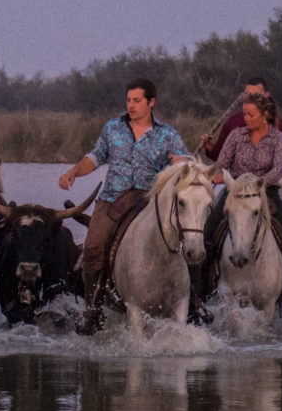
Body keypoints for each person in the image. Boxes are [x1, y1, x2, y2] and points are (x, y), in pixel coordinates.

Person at [58, 78, 189, 335]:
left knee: (189, 242)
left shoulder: (167, 134)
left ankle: (191, 302)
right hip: (113, 199)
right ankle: (93, 311)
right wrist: (75, 171)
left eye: (137, 100)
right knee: (93, 249)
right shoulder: (112, 128)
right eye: (129, 100)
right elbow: (95, 157)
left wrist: (180, 162)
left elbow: (183, 159)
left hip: (150, 200)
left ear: (151, 102)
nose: (131, 105)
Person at [205, 94, 282, 315]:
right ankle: (203, 287)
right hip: (236, 190)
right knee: (209, 226)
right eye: (244, 114)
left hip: (266, 189)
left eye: (250, 114)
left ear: (265, 115)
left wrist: (257, 183)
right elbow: (221, 164)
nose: (246, 118)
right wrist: (219, 176)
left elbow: (279, 169)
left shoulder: (280, 138)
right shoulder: (235, 135)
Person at [201, 77, 282, 172]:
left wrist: (262, 178)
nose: (251, 98)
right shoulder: (232, 122)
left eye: (256, 95)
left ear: (266, 95)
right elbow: (222, 159)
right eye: (248, 95)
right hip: (236, 183)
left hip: (268, 184)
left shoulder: (281, 126)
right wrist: (211, 148)